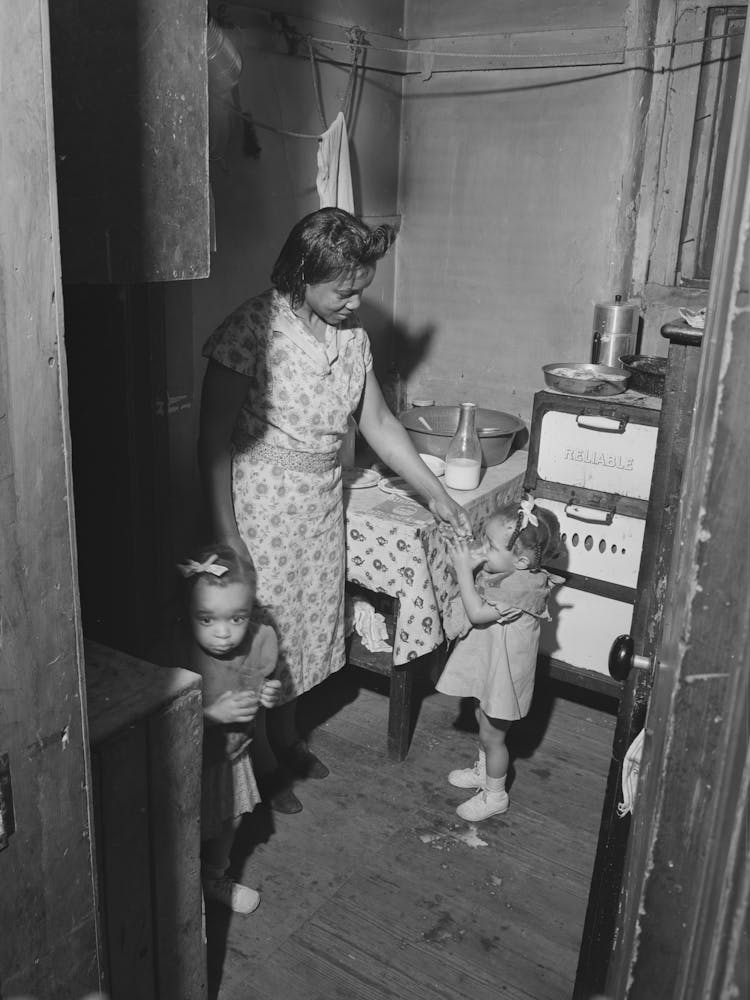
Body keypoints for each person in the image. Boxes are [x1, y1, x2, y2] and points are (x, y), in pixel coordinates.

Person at [198, 207, 471, 812]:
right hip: (260, 509)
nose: (354, 303)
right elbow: (212, 442)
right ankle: (259, 760)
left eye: (361, 290)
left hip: (321, 508)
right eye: (344, 291)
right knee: (258, 635)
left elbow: (377, 422)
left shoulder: (353, 340)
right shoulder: (251, 329)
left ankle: (287, 737)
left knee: (303, 629)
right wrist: (226, 535)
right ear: (302, 274)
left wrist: (437, 493)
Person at [436, 496, 563, 822]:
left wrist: (465, 569)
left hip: (506, 676)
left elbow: (477, 613)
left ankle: (495, 795)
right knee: (483, 719)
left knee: (494, 736)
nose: (484, 548)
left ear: (519, 561)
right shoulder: (515, 574)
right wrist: (485, 558)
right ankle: (484, 772)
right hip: (496, 666)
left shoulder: (519, 590)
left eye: (491, 546)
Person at [177, 543, 282, 914]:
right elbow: (161, 721)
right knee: (184, 828)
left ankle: (213, 877)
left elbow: (259, 680)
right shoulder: (176, 651)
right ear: (188, 612)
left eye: (236, 619)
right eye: (207, 619)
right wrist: (210, 714)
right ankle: (182, 890)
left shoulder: (256, 642)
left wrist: (268, 691)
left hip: (232, 757)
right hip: (187, 764)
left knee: (228, 822)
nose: (223, 633)